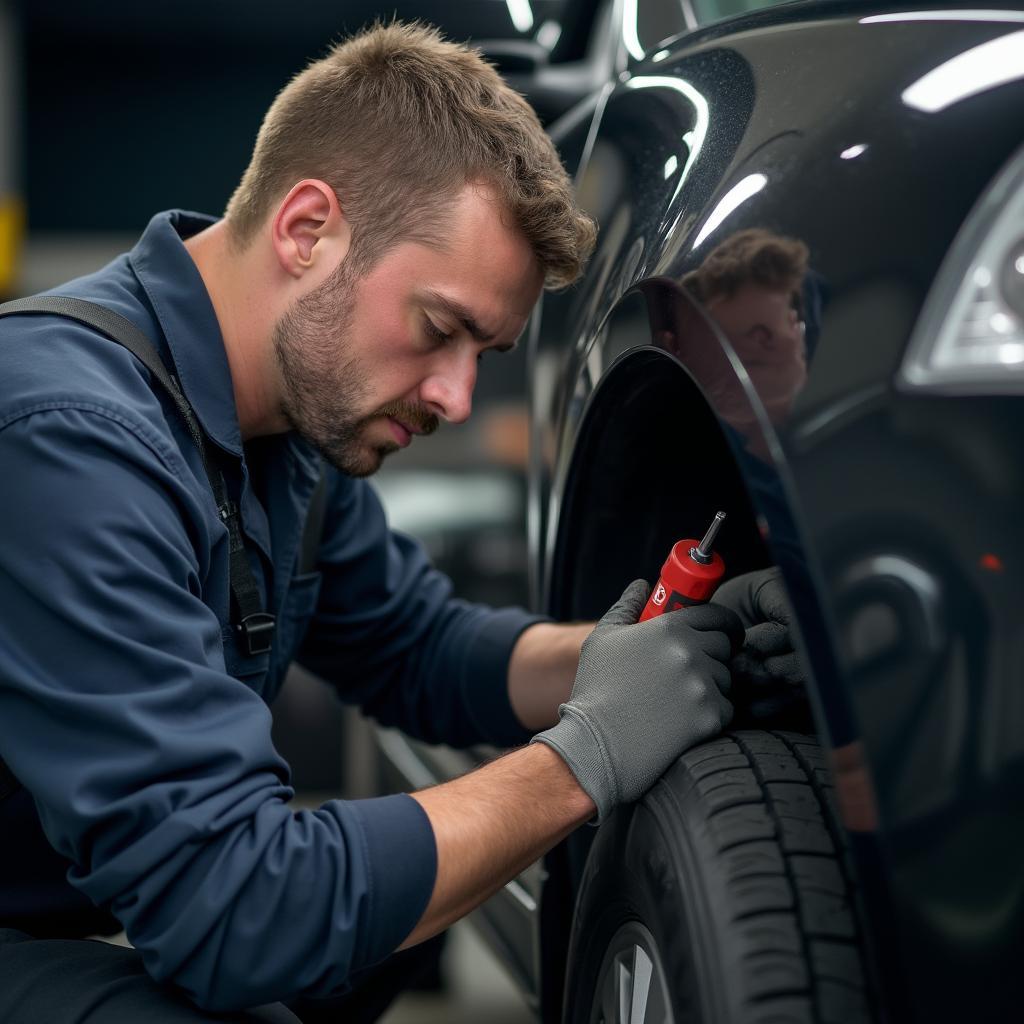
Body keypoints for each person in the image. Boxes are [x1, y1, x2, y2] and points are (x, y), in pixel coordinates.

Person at [0, 22, 793, 1023]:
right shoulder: (66, 439)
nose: (458, 397)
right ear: (306, 230)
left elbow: (421, 651)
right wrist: (588, 753)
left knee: (387, 906)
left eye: (484, 354)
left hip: (56, 913)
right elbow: (234, 912)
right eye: (439, 330)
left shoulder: (280, 429)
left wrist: (641, 654)